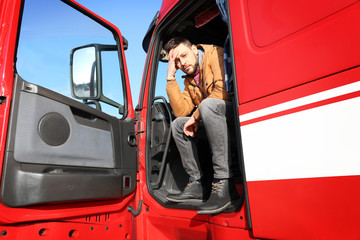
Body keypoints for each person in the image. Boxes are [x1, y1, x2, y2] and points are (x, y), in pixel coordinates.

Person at [164, 37, 239, 215]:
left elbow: (223, 91)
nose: (182, 63)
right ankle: (196, 183)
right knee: (178, 125)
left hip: (235, 117)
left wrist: (196, 117)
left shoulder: (216, 53)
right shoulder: (189, 81)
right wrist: (170, 77)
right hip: (213, 119)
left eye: (184, 55)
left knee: (207, 105)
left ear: (194, 50)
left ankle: (224, 182)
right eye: (177, 61)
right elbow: (181, 111)